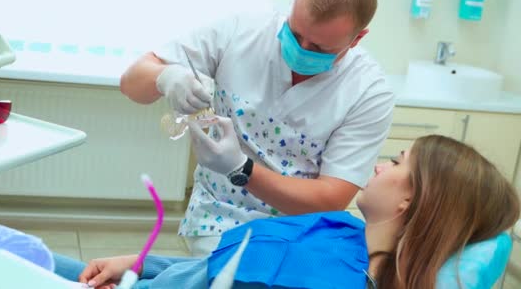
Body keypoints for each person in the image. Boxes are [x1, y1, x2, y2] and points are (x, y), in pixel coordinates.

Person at [119, 0, 394, 256]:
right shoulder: (241, 31)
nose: (300, 49)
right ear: (291, 5)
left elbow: (330, 199)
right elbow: (132, 83)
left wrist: (242, 169)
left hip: (299, 233)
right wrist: (165, 76)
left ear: (357, 39)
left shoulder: (368, 91)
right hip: (217, 218)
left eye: (318, 48)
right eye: (295, 32)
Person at [53, 135, 521, 289]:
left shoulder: (330, 279)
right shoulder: (343, 229)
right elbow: (215, 271)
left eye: (398, 163)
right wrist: (137, 263)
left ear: (409, 200)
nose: (380, 164)